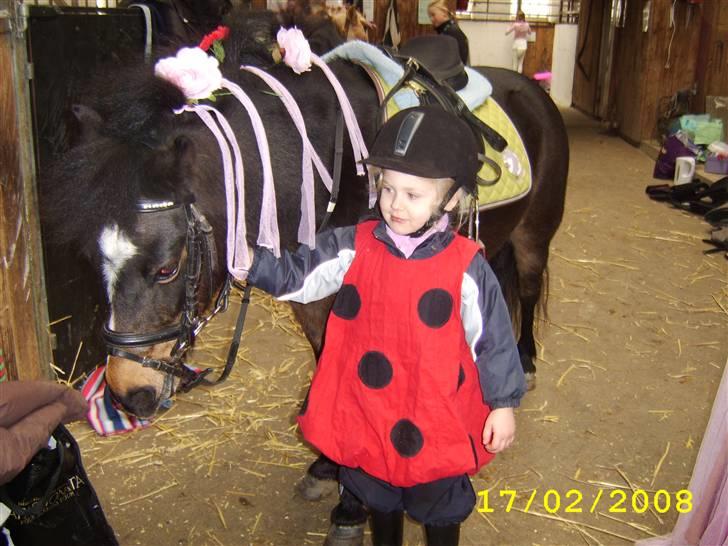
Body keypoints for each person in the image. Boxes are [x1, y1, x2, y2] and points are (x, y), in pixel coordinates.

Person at [246, 105, 526, 545]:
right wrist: (251, 263)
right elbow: (299, 274)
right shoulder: (355, 245)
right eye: (388, 188)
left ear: (450, 199)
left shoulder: (465, 266)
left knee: (437, 497)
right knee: (377, 492)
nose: (395, 205)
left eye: (413, 195)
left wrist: (504, 403)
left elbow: (494, 340)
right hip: (371, 409)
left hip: (435, 415)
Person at [427, 0, 469, 65]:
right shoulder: (446, 30)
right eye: (430, 16)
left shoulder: (452, 32)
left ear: (444, 13)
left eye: (433, 15)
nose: (431, 19)